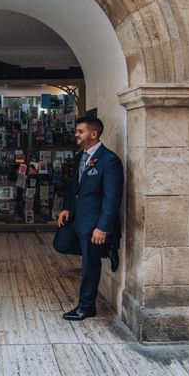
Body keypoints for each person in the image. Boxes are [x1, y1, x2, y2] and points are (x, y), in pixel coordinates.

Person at [52, 116, 123, 321]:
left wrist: (102, 227)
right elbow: (74, 187)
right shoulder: (79, 158)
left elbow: (112, 198)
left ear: (93, 134)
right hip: (76, 218)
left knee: (89, 266)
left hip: (94, 224)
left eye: (80, 131)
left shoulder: (110, 161)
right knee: (61, 244)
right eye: (76, 130)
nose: (76, 134)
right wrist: (66, 207)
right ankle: (106, 249)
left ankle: (86, 307)